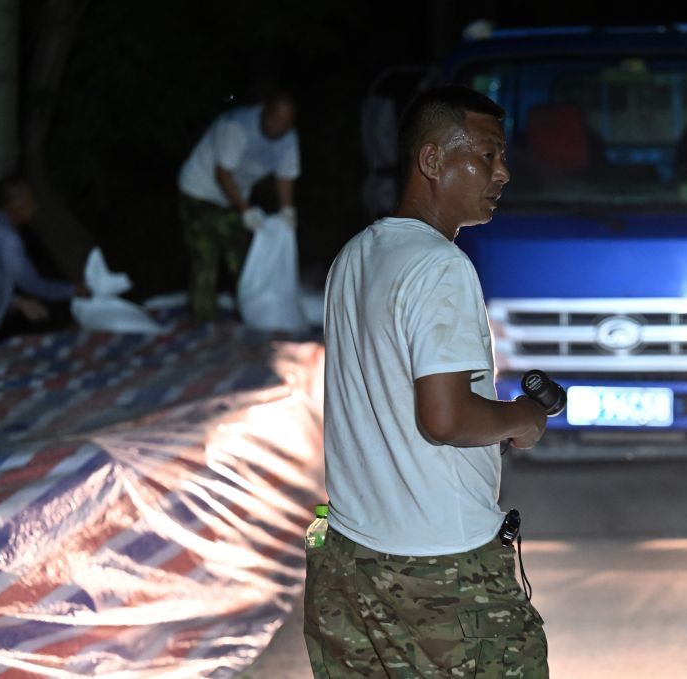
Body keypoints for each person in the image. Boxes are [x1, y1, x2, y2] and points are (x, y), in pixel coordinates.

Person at [303, 86, 550, 677]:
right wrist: (523, 418)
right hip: (440, 568)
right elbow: (446, 417)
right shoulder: (441, 266)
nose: (503, 172)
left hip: (349, 556)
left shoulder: (354, 256)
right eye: (487, 155)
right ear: (432, 160)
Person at [177, 88, 301, 322]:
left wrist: (287, 210)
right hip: (199, 190)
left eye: (287, 123)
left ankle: (250, 314)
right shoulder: (237, 127)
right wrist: (246, 210)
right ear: (265, 111)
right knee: (206, 255)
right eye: (276, 120)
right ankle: (204, 321)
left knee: (243, 257)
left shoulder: (288, 138)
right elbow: (222, 174)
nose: (280, 128)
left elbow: (285, 176)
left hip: (233, 197)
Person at [0, 176, 80, 359]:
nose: (34, 207)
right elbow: (32, 283)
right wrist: (75, 290)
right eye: (30, 201)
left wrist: (17, 302)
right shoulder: (6, 237)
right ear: (15, 204)